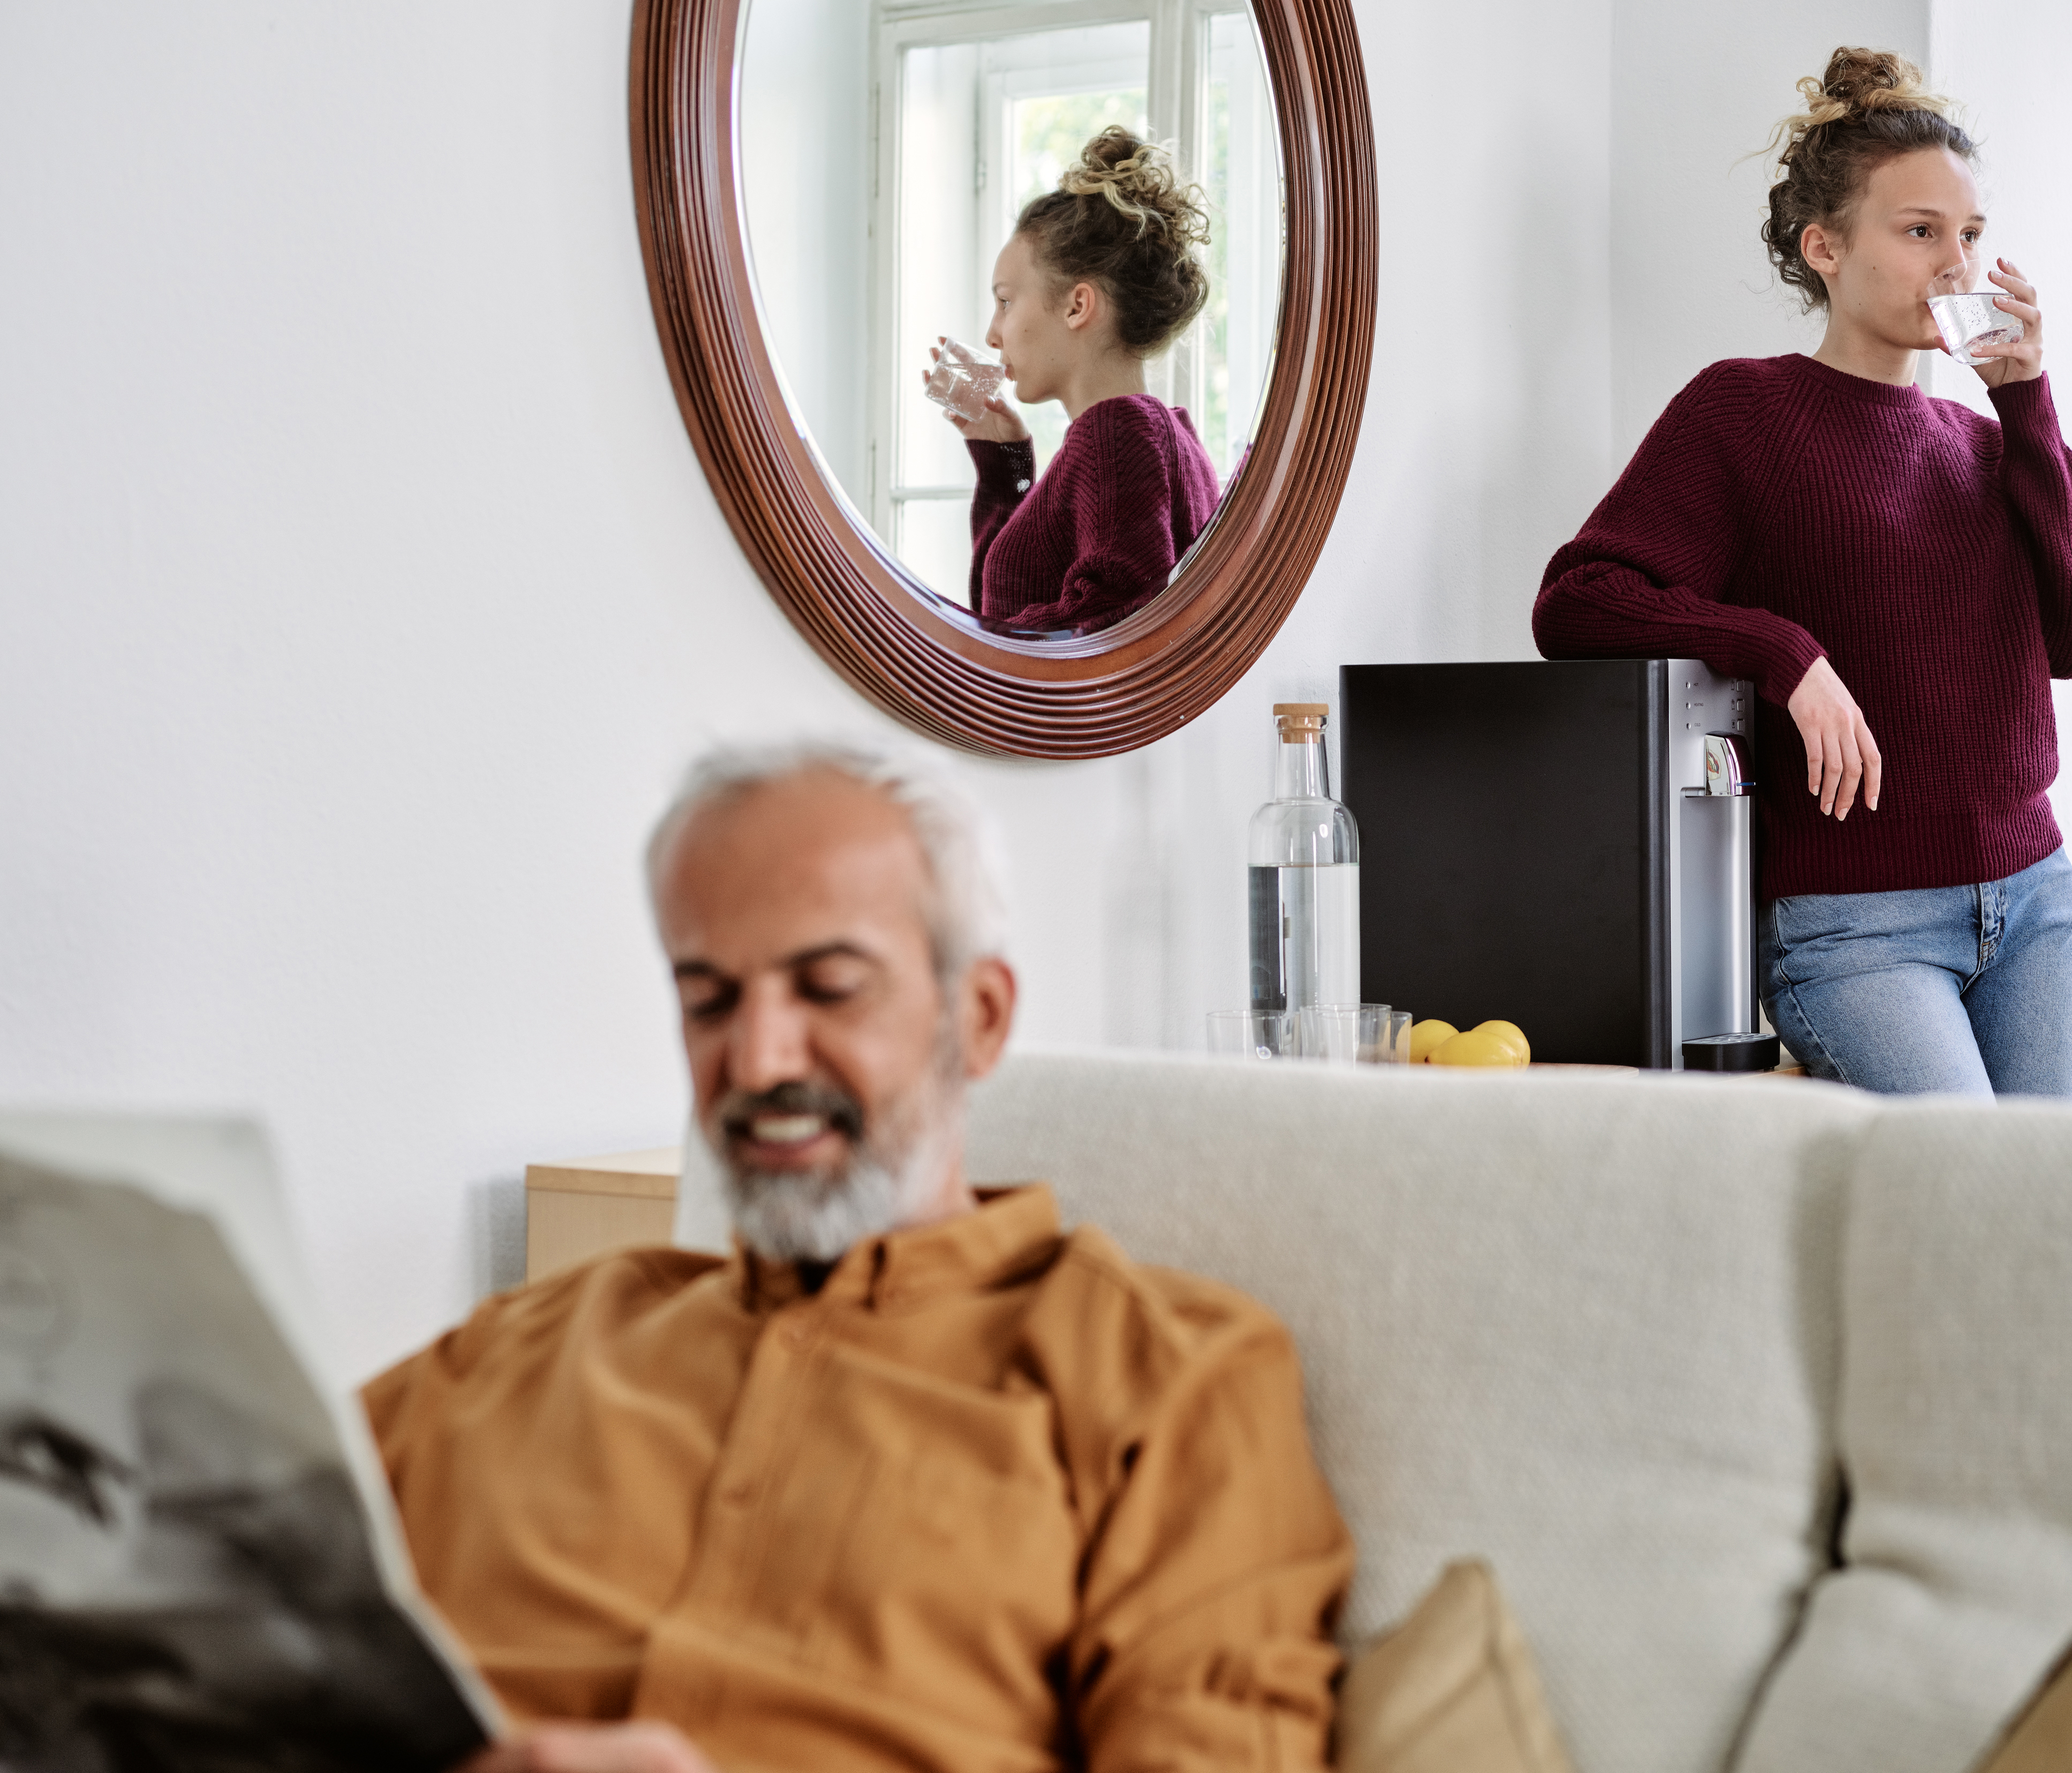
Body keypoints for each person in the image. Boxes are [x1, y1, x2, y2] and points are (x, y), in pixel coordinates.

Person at [366, 742, 1352, 1773]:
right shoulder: (517, 1354)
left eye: (830, 988)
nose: (756, 1061)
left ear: (978, 1018)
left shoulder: (1170, 1381)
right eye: (708, 1001)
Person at [1532, 48, 2072, 1100]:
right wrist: (1782, 653)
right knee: (1964, 1200)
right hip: (1856, 926)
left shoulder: (1991, 445)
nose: (1957, 264)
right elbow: (1577, 601)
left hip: (2037, 903)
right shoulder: (1741, 412)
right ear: (1825, 249)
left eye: (1971, 234)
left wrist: (2026, 403)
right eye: (1918, 231)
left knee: (2035, 1232)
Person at [936, 129, 1224, 635]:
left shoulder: (1118, 432)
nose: (992, 333)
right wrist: (1007, 468)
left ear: (1077, 306)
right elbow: (1001, 613)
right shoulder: (1165, 437)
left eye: (1005, 301)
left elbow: (1111, 625)